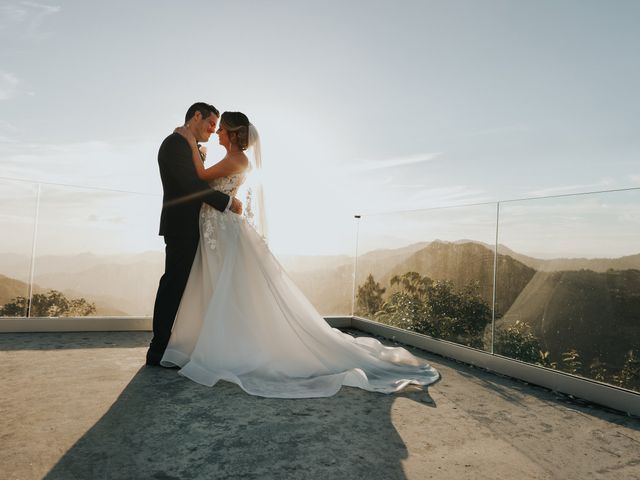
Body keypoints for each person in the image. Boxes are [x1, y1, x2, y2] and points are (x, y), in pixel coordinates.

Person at [160, 111, 440, 398]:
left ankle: (232, 345)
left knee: (229, 284)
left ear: (232, 133)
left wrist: (191, 143)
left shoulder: (236, 158)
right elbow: (206, 180)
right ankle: (218, 341)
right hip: (215, 227)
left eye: (221, 129)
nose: (216, 132)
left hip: (221, 228)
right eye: (213, 127)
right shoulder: (232, 157)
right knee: (220, 284)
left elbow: (203, 177)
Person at [147, 103, 242, 366]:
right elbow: (191, 186)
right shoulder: (174, 144)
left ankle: (185, 344)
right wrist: (227, 202)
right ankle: (158, 350)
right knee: (173, 285)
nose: (213, 130)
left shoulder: (185, 144)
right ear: (196, 116)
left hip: (198, 226)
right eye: (211, 124)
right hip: (181, 226)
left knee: (190, 286)